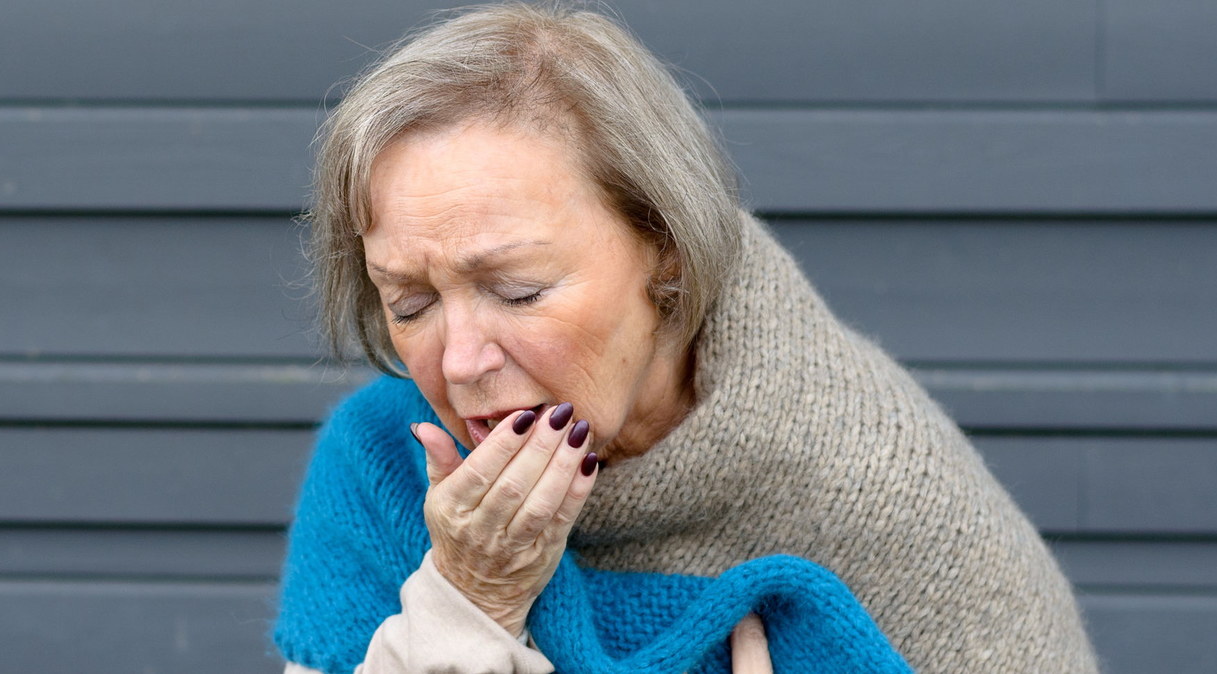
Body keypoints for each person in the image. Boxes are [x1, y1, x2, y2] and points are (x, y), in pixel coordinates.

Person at [274, 3, 1098, 672]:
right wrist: (464, 602)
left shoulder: (877, 490)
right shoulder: (382, 460)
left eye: (518, 291)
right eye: (410, 302)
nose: (457, 363)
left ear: (665, 249)